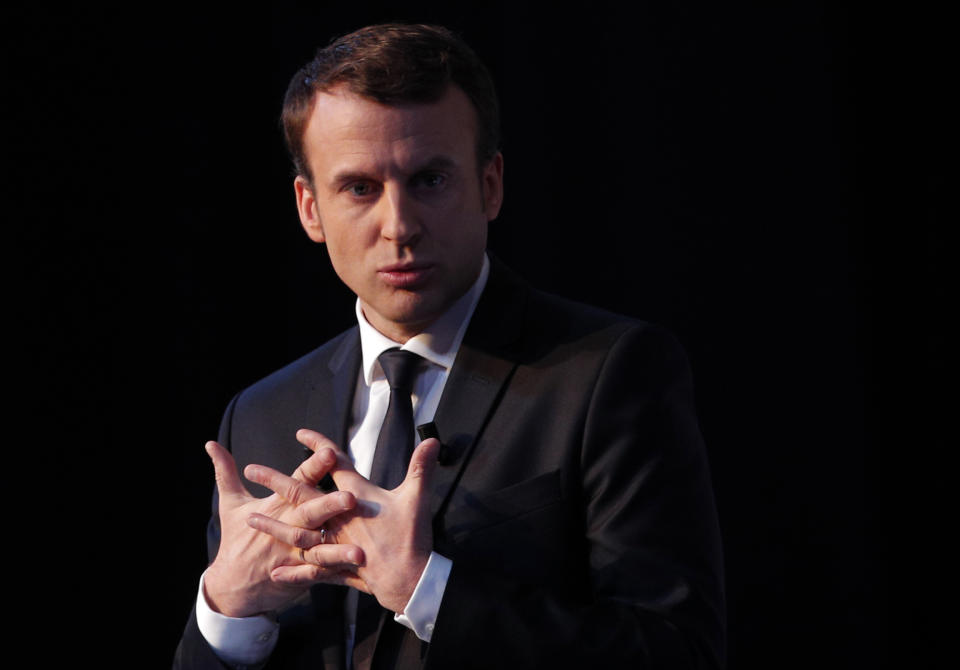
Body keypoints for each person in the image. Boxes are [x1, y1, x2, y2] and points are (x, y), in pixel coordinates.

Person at [174, 23, 725, 670]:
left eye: (430, 180)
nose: (399, 226)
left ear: (490, 184)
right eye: (359, 188)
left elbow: (676, 652)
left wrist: (424, 588)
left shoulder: (608, 374)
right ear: (309, 208)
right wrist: (227, 610)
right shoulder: (262, 413)